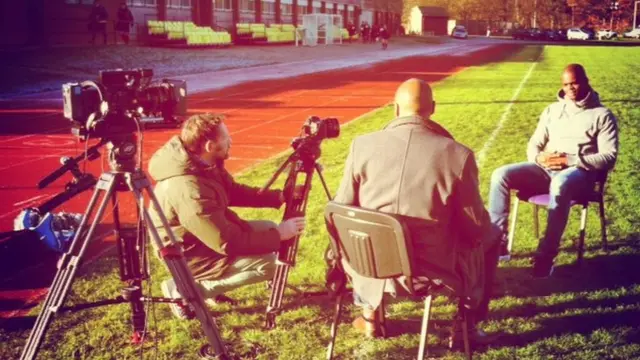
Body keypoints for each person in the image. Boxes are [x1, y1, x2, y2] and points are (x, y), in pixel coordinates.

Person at [333, 78, 500, 348]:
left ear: (395, 110)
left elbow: (342, 208)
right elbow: (476, 228)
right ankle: (467, 325)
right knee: (491, 236)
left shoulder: (360, 146)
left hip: (367, 264)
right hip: (428, 273)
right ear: (432, 108)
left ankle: (370, 315)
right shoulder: (458, 155)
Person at [148, 113, 306, 319]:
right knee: (271, 264)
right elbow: (227, 242)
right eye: (226, 137)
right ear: (209, 146)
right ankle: (184, 293)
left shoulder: (202, 165)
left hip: (200, 240)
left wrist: (280, 196)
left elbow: (232, 191)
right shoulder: (189, 189)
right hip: (189, 256)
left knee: (268, 226)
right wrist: (279, 235)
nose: (231, 141)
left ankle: (203, 288)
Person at [488, 64, 618, 278]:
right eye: (566, 84)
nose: (571, 88)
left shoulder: (602, 115)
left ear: (586, 81)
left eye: (575, 83)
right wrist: (539, 157)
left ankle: (546, 255)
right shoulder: (552, 110)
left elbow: (609, 156)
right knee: (500, 174)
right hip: (545, 170)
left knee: (560, 183)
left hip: (579, 174)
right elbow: (534, 144)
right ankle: (498, 243)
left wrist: (571, 159)